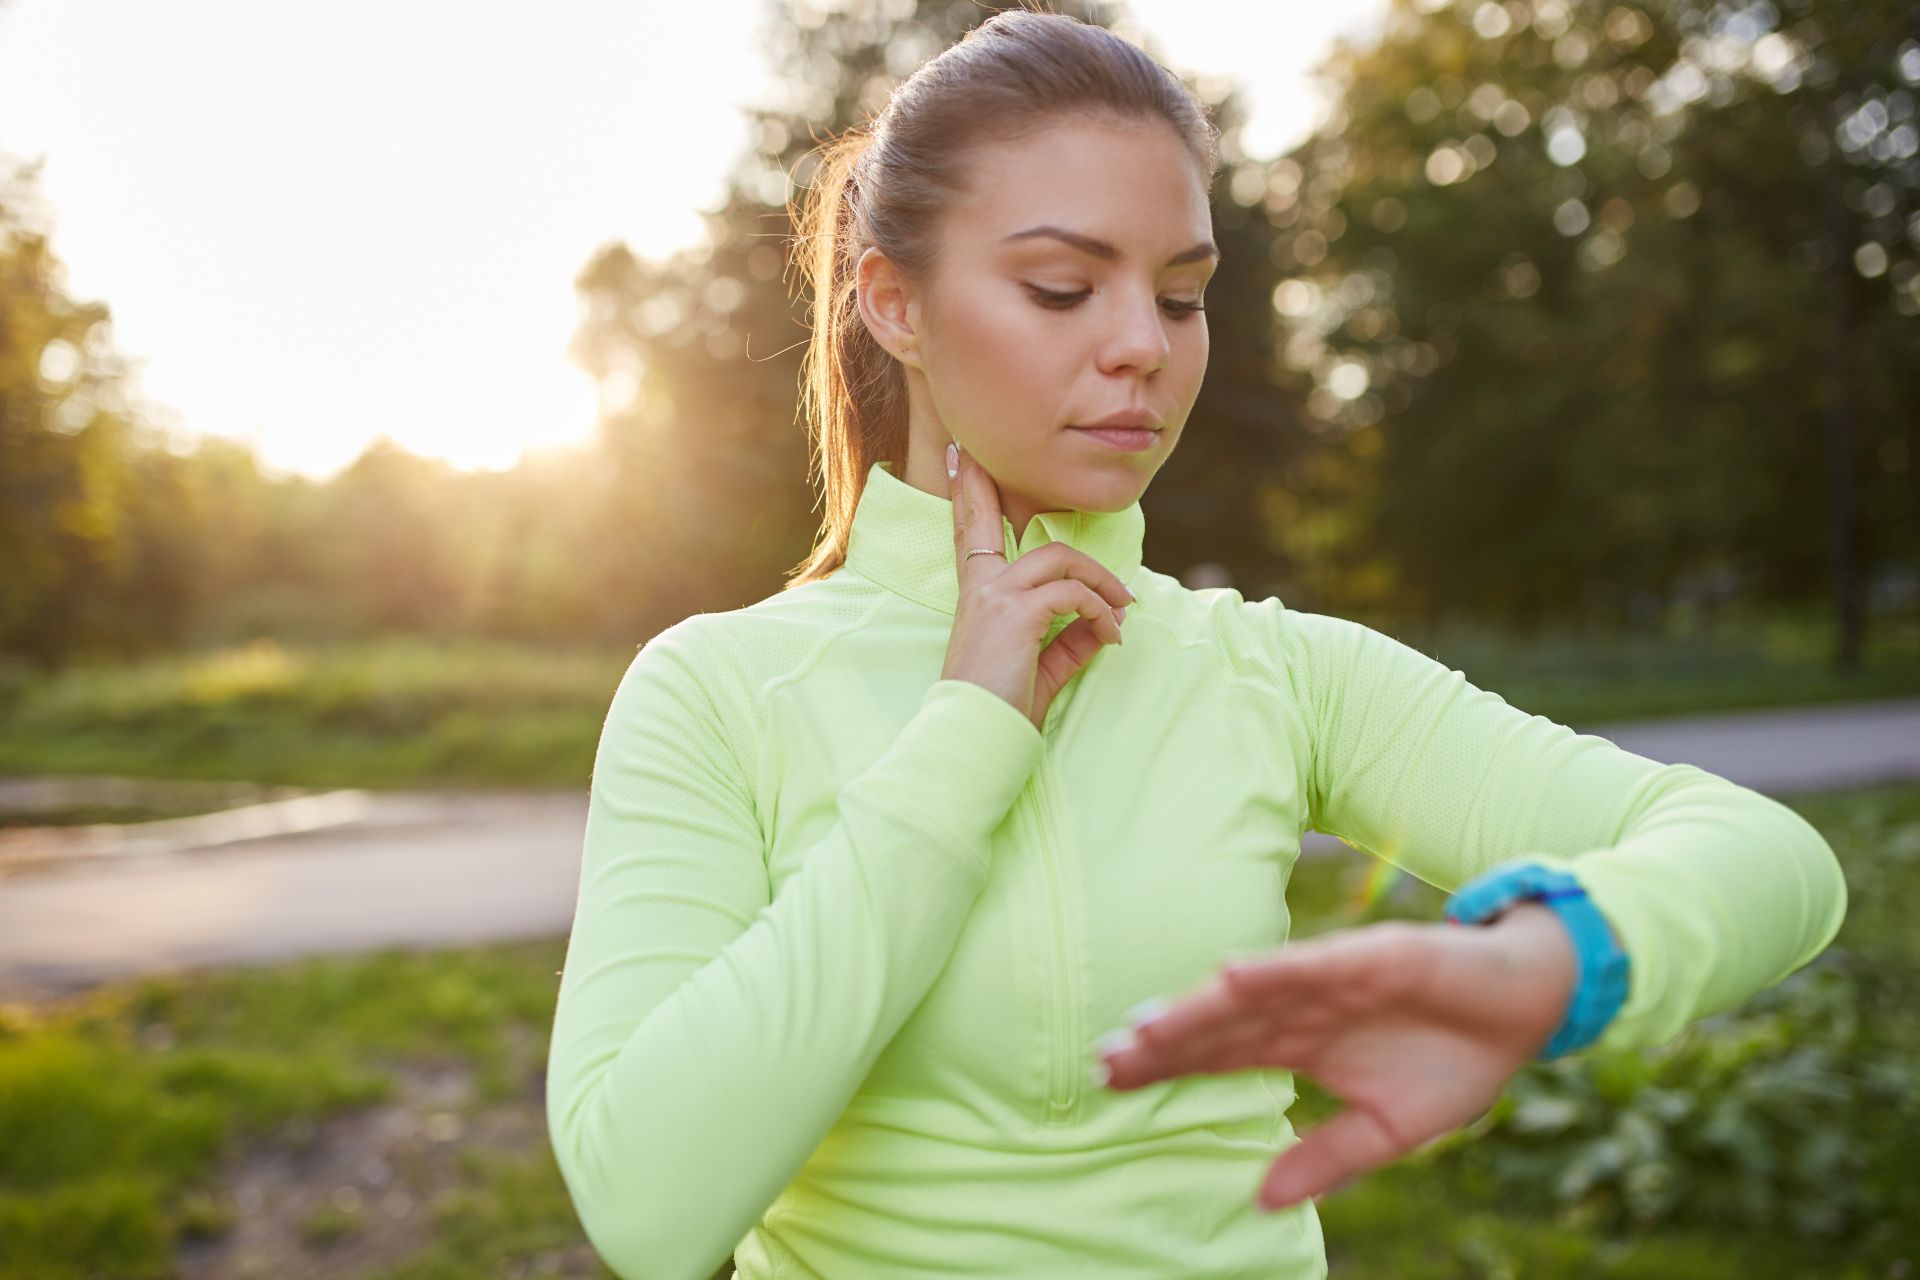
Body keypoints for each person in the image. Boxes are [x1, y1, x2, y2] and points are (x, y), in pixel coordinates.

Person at [542, 10, 1849, 1279]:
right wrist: (965, 739)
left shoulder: (1274, 673)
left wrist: (1539, 962)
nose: (1140, 350)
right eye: (1063, 286)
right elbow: (650, 1215)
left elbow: (1772, 861)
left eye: (1181, 297)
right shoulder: (713, 692)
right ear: (893, 302)